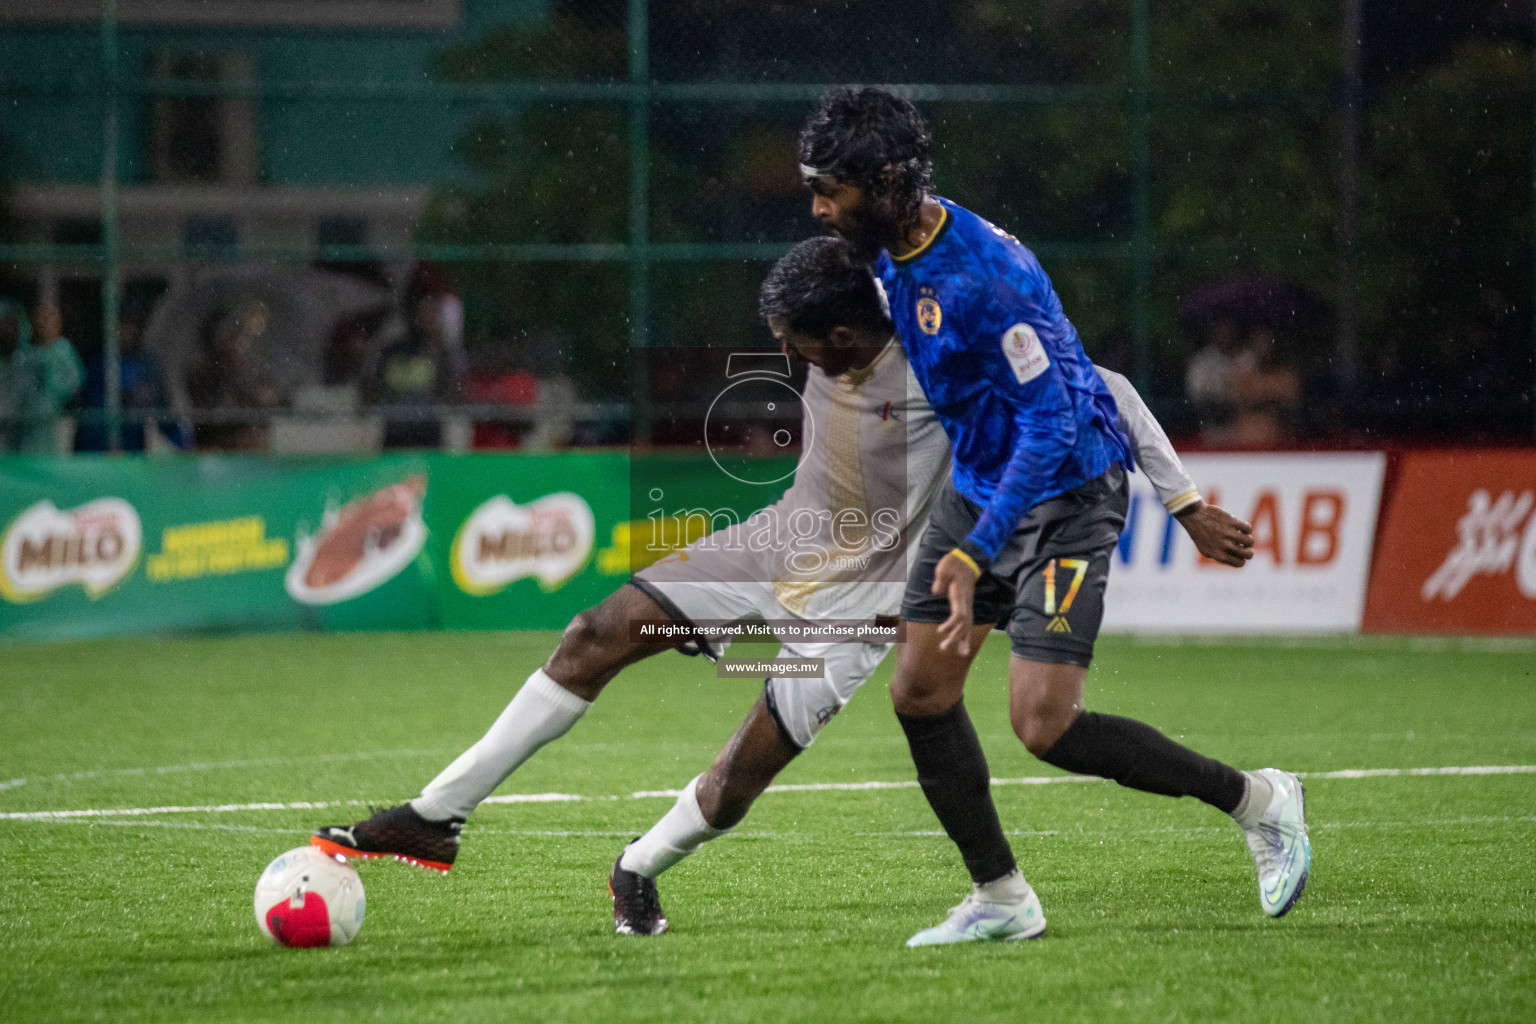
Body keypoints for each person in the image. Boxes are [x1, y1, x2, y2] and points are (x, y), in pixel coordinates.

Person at [311, 237, 1254, 938]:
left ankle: (639, 866)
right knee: (596, 632)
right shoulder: (868, 299)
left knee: (738, 777)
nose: (797, 361)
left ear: (845, 334)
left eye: (804, 347)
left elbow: (1108, 392)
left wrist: (1183, 502)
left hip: (869, 602)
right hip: (779, 542)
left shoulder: (949, 351)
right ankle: (437, 818)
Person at [797, 86, 1309, 946]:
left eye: (830, 191)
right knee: (920, 691)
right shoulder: (885, 251)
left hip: (1069, 496)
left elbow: (1056, 418)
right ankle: (1000, 895)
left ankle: (1259, 801)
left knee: (1044, 725)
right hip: (984, 485)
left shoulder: (984, 279)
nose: (817, 208)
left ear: (884, 178)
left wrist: (980, 549)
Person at [1, 300, 85, 455]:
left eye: (50, 318)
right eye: (42, 318)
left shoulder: (63, 350)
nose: (45, 324)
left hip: (50, 426)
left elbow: (68, 388)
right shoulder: (24, 355)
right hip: (18, 430)